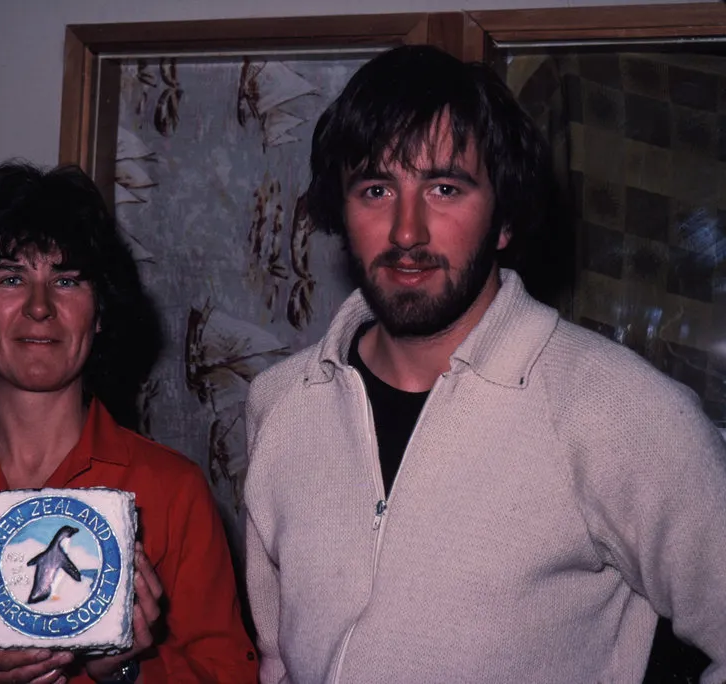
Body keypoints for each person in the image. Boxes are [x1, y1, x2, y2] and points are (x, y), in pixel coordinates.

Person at [243, 45, 726, 684]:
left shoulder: (621, 410)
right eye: (376, 188)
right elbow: (278, 658)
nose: (407, 230)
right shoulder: (280, 402)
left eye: (445, 188)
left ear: (503, 221)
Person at [0, 162, 257, 684]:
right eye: (11, 278)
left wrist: (124, 668)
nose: (40, 307)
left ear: (100, 314)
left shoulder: (173, 492)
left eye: (66, 280)